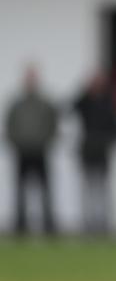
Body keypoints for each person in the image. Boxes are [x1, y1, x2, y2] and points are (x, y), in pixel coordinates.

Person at [5, 65, 58, 235]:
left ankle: (48, 225)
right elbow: (9, 126)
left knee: (45, 190)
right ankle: (20, 224)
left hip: (40, 151)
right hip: (22, 152)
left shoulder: (45, 103)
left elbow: (53, 124)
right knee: (20, 190)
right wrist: (16, 142)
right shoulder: (16, 104)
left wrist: (46, 141)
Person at [73, 72, 116, 234]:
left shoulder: (108, 102)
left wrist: (111, 141)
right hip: (87, 149)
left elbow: (115, 125)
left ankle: (104, 222)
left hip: (103, 150)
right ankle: (88, 222)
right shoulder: (85, 101)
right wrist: (85, 91)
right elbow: (72, 106)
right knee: (88, 188)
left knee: (103, 188)